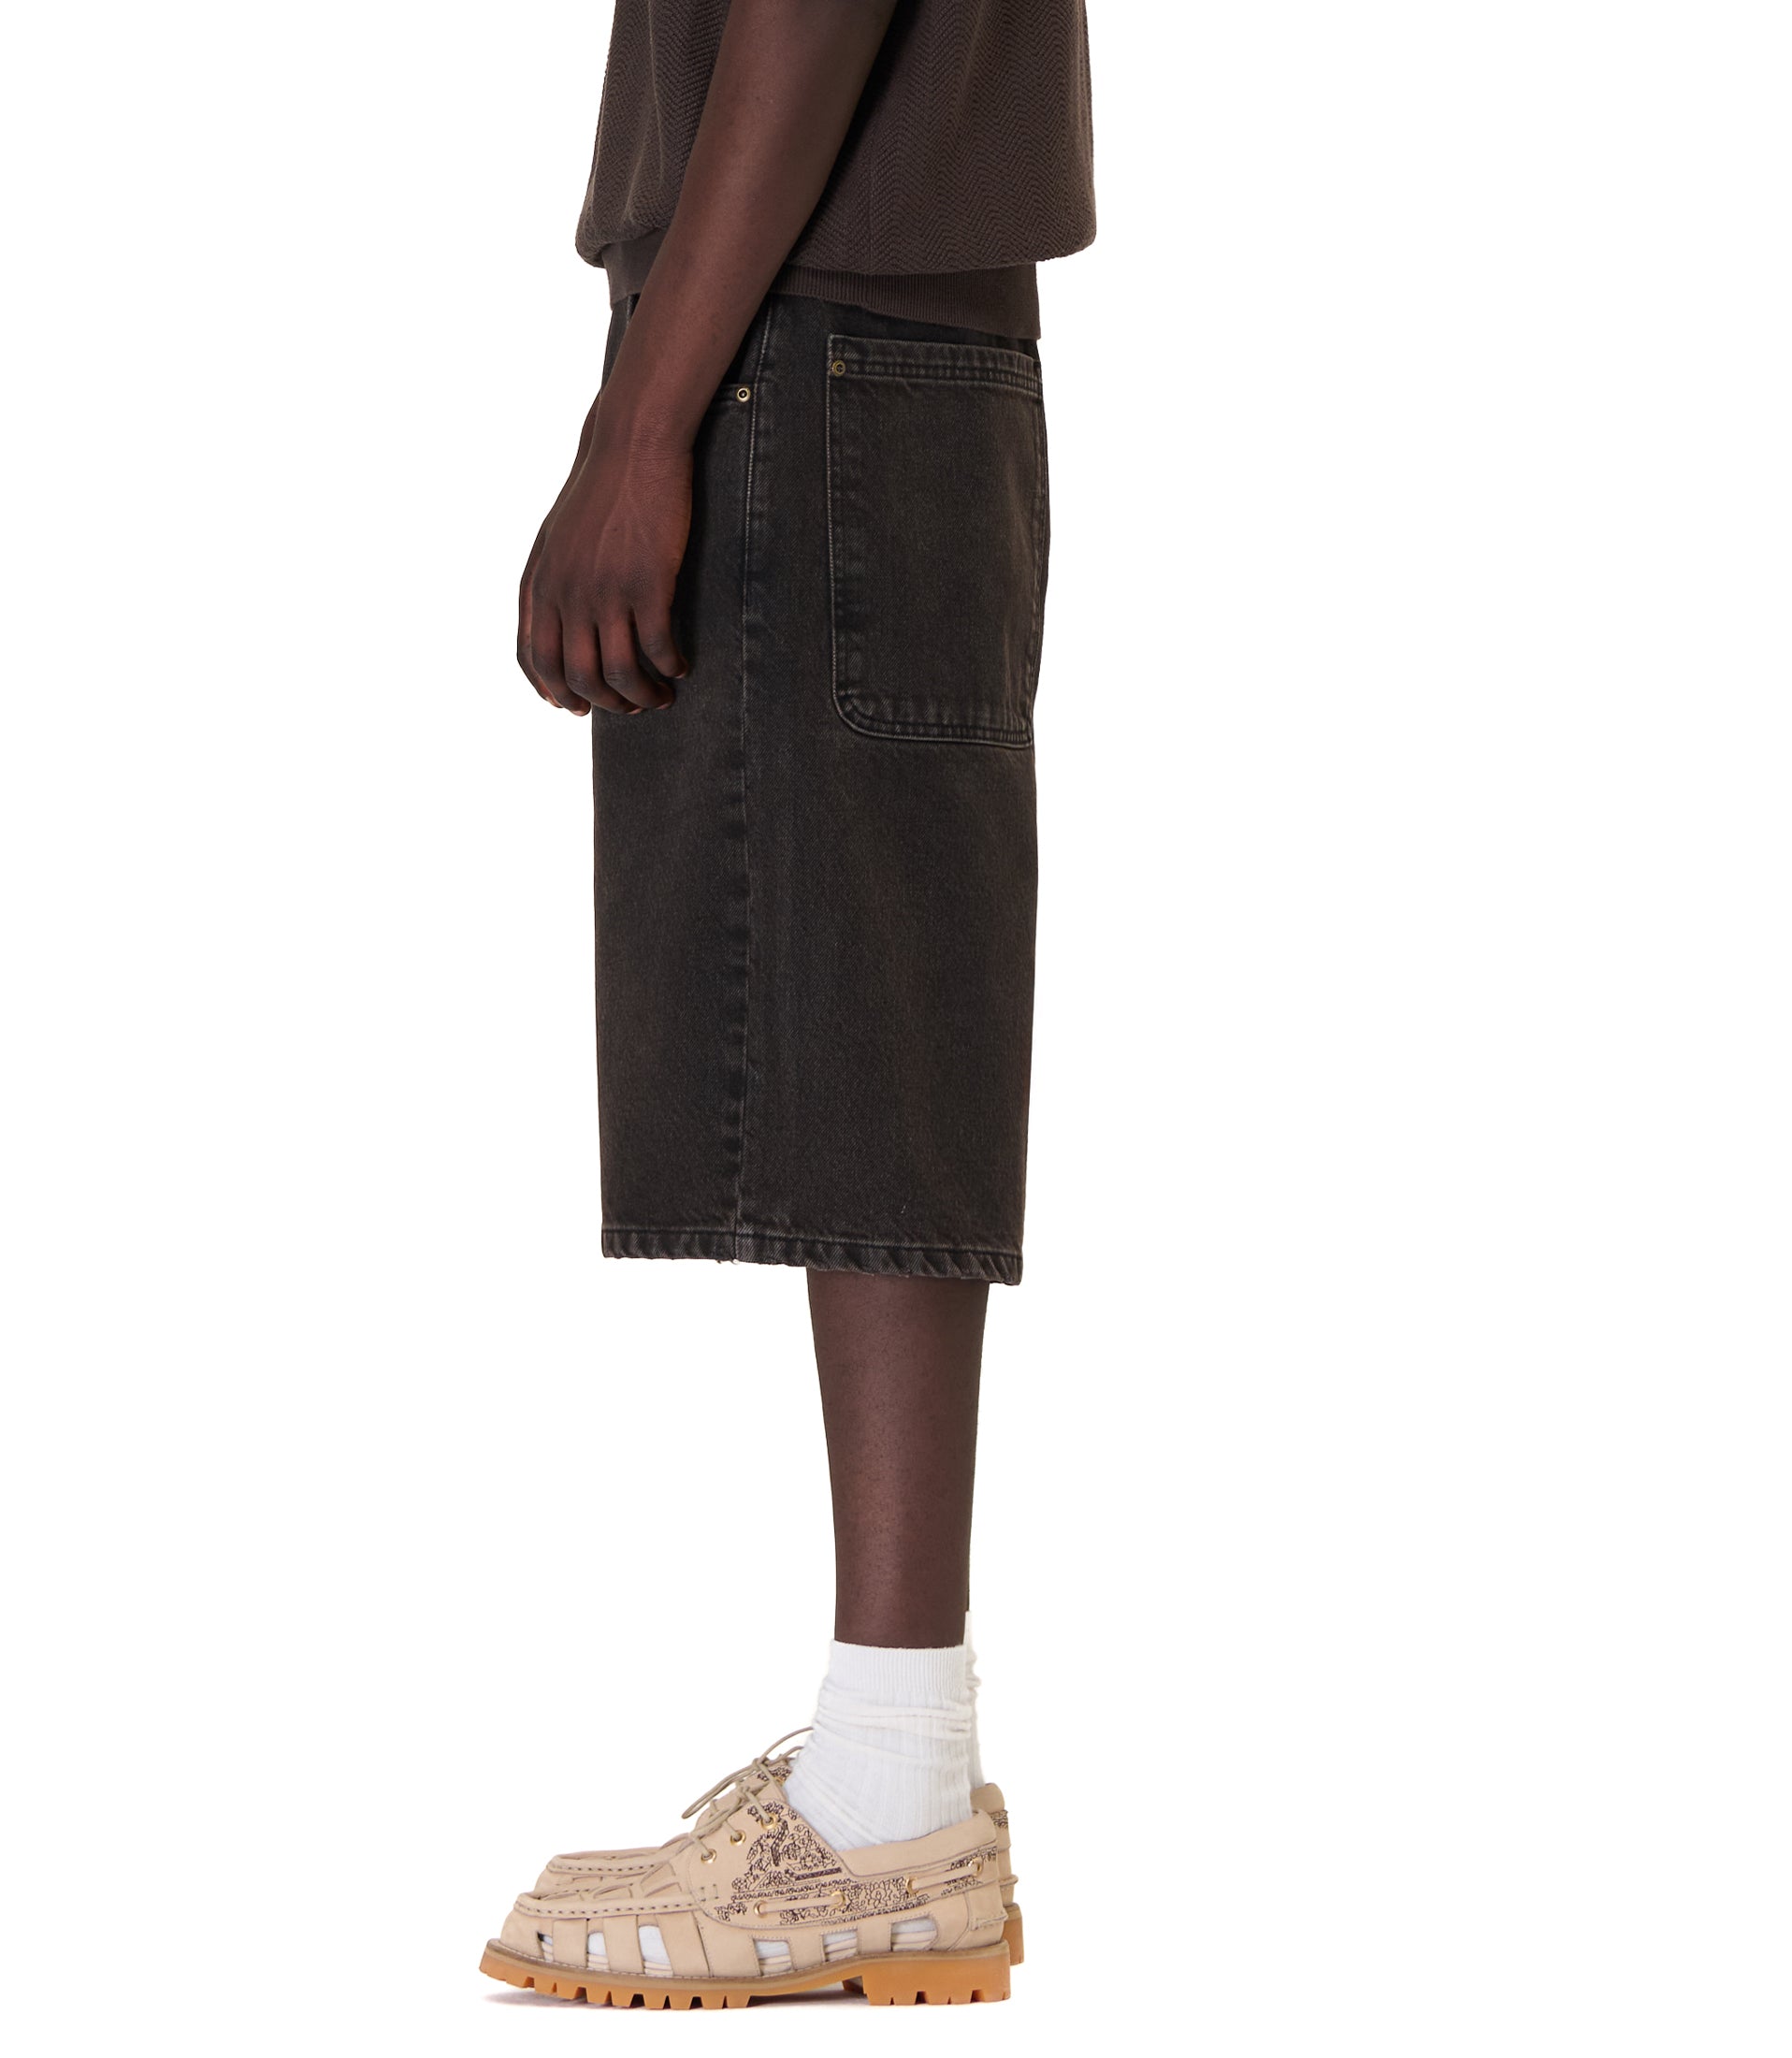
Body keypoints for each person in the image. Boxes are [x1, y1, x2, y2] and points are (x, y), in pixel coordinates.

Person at [486, 0, 1094, 2008]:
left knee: (872, 1015)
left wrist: (638, 422)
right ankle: (888, 1764)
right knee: (875, 1000)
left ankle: (892, 1804)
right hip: (848, 332)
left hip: (807, 334)